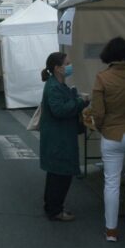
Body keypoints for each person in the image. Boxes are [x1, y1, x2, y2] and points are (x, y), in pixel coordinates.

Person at [91, 37, 125, 243]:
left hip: (111, 135)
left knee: (111, 183)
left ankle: (111, 231)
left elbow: (98, 111)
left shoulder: (102, 78)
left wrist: (101, 127)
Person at [38, 52, 88, 222]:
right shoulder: (53, 86)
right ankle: (55, 210)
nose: (70, 66)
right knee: (60, 175)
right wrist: (80, 102)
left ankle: (53, 206)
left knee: (56, 175)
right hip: (58, 138)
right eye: (67, 63)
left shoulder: (57, 84)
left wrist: (75, 97)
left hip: (58, 136)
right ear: (58, 68)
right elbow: (59, 110)